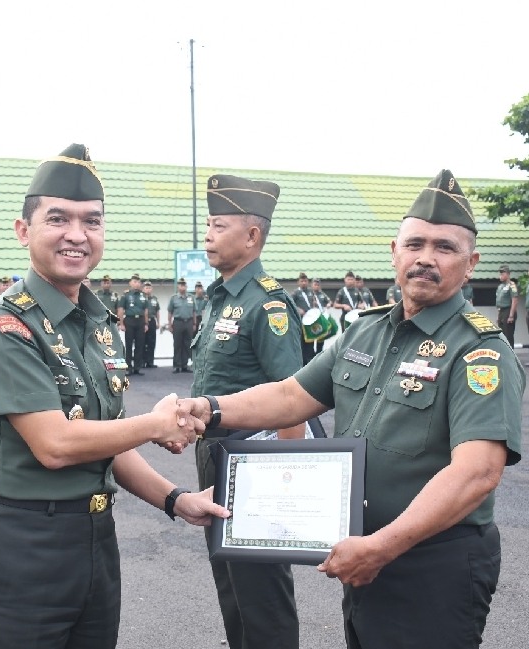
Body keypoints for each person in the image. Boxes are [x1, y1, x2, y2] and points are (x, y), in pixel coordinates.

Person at [179, 169, 525, 649]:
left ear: (471, 264)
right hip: (366, 555)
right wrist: (208, 409)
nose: (426, 258)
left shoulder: (478, 350)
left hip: (431, 563)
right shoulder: (365, 333)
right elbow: (289, 397)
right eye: (415, 244)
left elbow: (477, 473)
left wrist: (381, 548)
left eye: (444, 248)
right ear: (394, 252)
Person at [0, 143, 227, 649]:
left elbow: (108, 442)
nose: (77, 235)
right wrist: (154, 423)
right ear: (23, 231)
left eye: (92, 221)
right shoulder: (4, 323)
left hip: (95, 541)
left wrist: (176, 500)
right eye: (58, 219)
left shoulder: (101, 324)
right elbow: (56, 444)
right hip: (23, 543)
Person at [189, 173, 304, 649]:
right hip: (215, 453)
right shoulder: (220, 297)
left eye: (218, 225)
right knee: (231, 580)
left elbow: (292, 401)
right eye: (209, 225)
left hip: (254, 460)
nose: (208, 236)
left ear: (252, 236)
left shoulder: (268, 305)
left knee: (261, 589)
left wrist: (286, 481)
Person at [117, 274, 148, 375]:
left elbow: (146, 310)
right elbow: (121, 309)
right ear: (130, 283)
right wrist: (121, 323)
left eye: (138, 282)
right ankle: (128, 367)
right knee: (129, 345)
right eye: (134, 282)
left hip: (140, 321)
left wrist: (146, 323)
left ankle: (137, 368)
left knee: (139, 345)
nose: (137, 284)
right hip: (129, 321)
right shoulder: (125, 295)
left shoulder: (143, 296)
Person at [167, 277, 195, 373]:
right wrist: (169, 324)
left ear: (186, 286)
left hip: (189, 322)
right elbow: (170, 312)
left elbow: (194, 311)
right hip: (178, 322)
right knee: (177, 344)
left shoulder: (191, 297)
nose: (183, 287)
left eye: (184, 285)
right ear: (178, 287)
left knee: (187, 344)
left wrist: (194, 323)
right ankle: (177, 365)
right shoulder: (173, 298)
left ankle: (184, 365)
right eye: (181, 285)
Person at [291, 272, 315, 365]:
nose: (304, 283)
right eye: (302, 281)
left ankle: (310, 362)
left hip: (310, 321)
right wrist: (298, 309)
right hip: (301, 322)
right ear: (298, 282)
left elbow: (313, 303)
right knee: (302, 342)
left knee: (311, 341)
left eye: (305, 281)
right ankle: (302, 363)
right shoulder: (296, 293)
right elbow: (290, 304)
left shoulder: (310, 292)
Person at [495, 265, 518, 348]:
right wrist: (498, 316)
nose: (500, 276)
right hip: (501, 312)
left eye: (502, 274)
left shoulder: (512, 285)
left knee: (508, 336)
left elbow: (514, 300)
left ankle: (511, 357)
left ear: (508, 274)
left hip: (508, 311)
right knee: (502, 335)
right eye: (500, 274)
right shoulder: (500, 287)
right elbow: (499, 302)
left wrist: (511, 315)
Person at [142, 280, 161, 368]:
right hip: (142, 322)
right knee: (142, 342)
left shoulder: (154, 299)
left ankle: (150, 362)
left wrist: (158, 322)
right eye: (146, 288)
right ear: (143, 289)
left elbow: (157, 311)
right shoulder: (140, 298)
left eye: (149, 288)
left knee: (151, 342)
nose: (148, 289)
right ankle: (141, 362)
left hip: (152, 321)